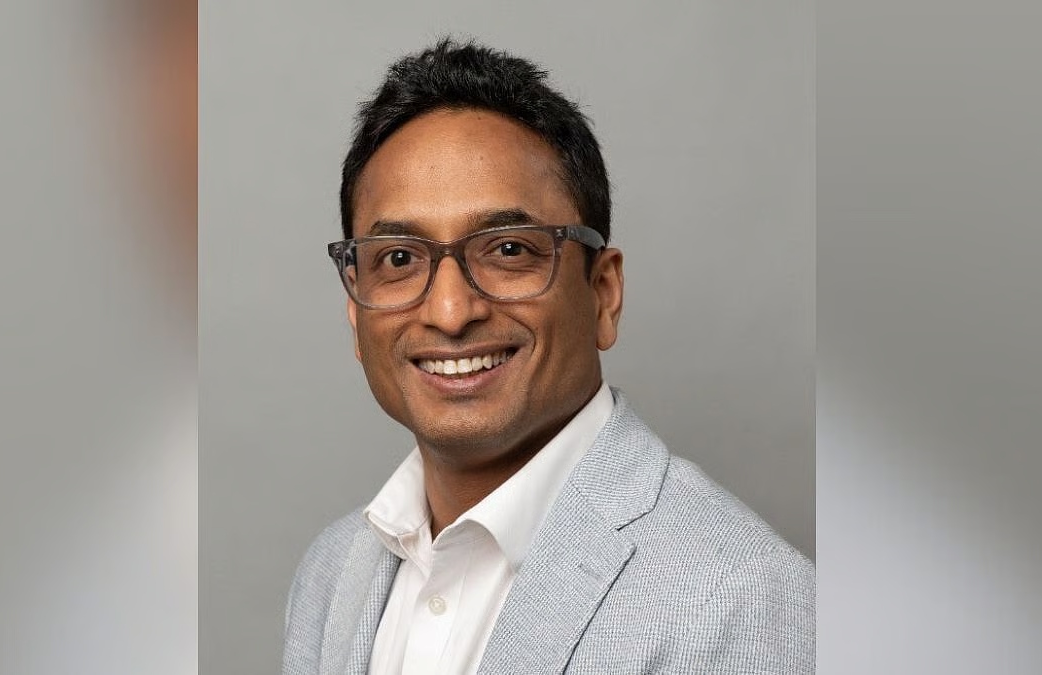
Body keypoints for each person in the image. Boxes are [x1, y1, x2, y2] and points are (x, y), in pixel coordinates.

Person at [283, 38, 814, 675]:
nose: (450, 312)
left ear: (603, 293)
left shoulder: (748, 604)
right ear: (356, 312)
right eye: (398, 258)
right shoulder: (331, 574)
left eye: (508, 250)